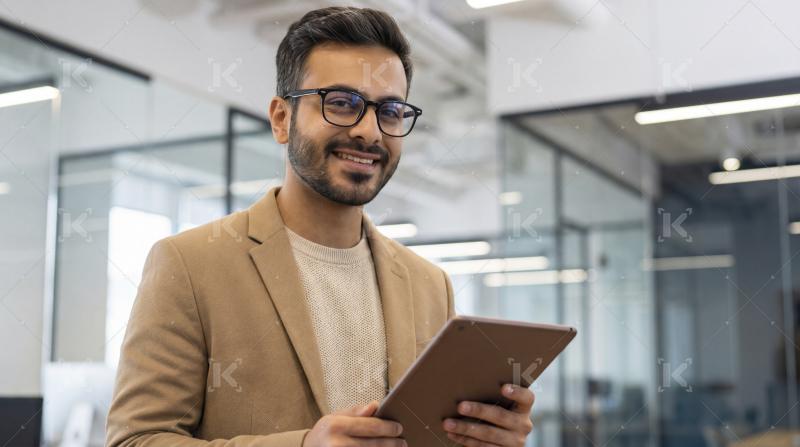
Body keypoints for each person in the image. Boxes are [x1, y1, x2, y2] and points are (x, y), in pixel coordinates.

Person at [106, 6, 534, 447]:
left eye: (390, 111)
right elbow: (135, 441)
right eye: (342, 103)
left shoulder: (430, 285)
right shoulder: (189, 265)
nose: (370, 132)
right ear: (281, 119)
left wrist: (485, 436)